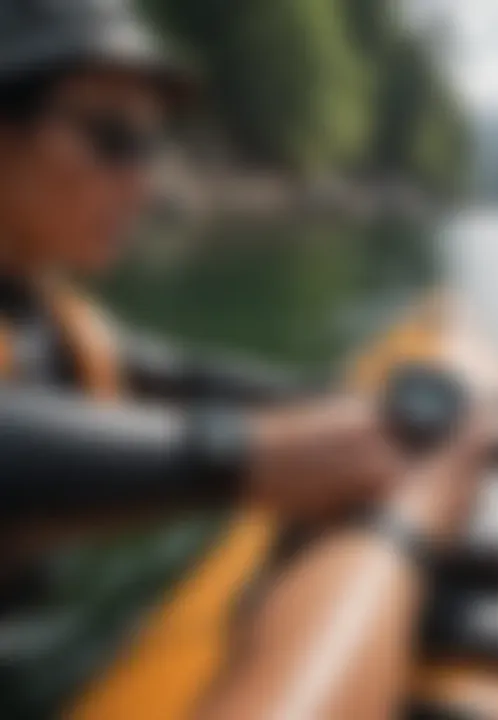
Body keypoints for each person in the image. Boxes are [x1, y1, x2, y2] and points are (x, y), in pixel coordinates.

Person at [0, 0, 406, 552]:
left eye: (149, 145)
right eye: (111, 137)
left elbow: (180, 377)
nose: (142, 184)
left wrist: (357, 406)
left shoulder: (43, 317)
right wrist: (246, 455)